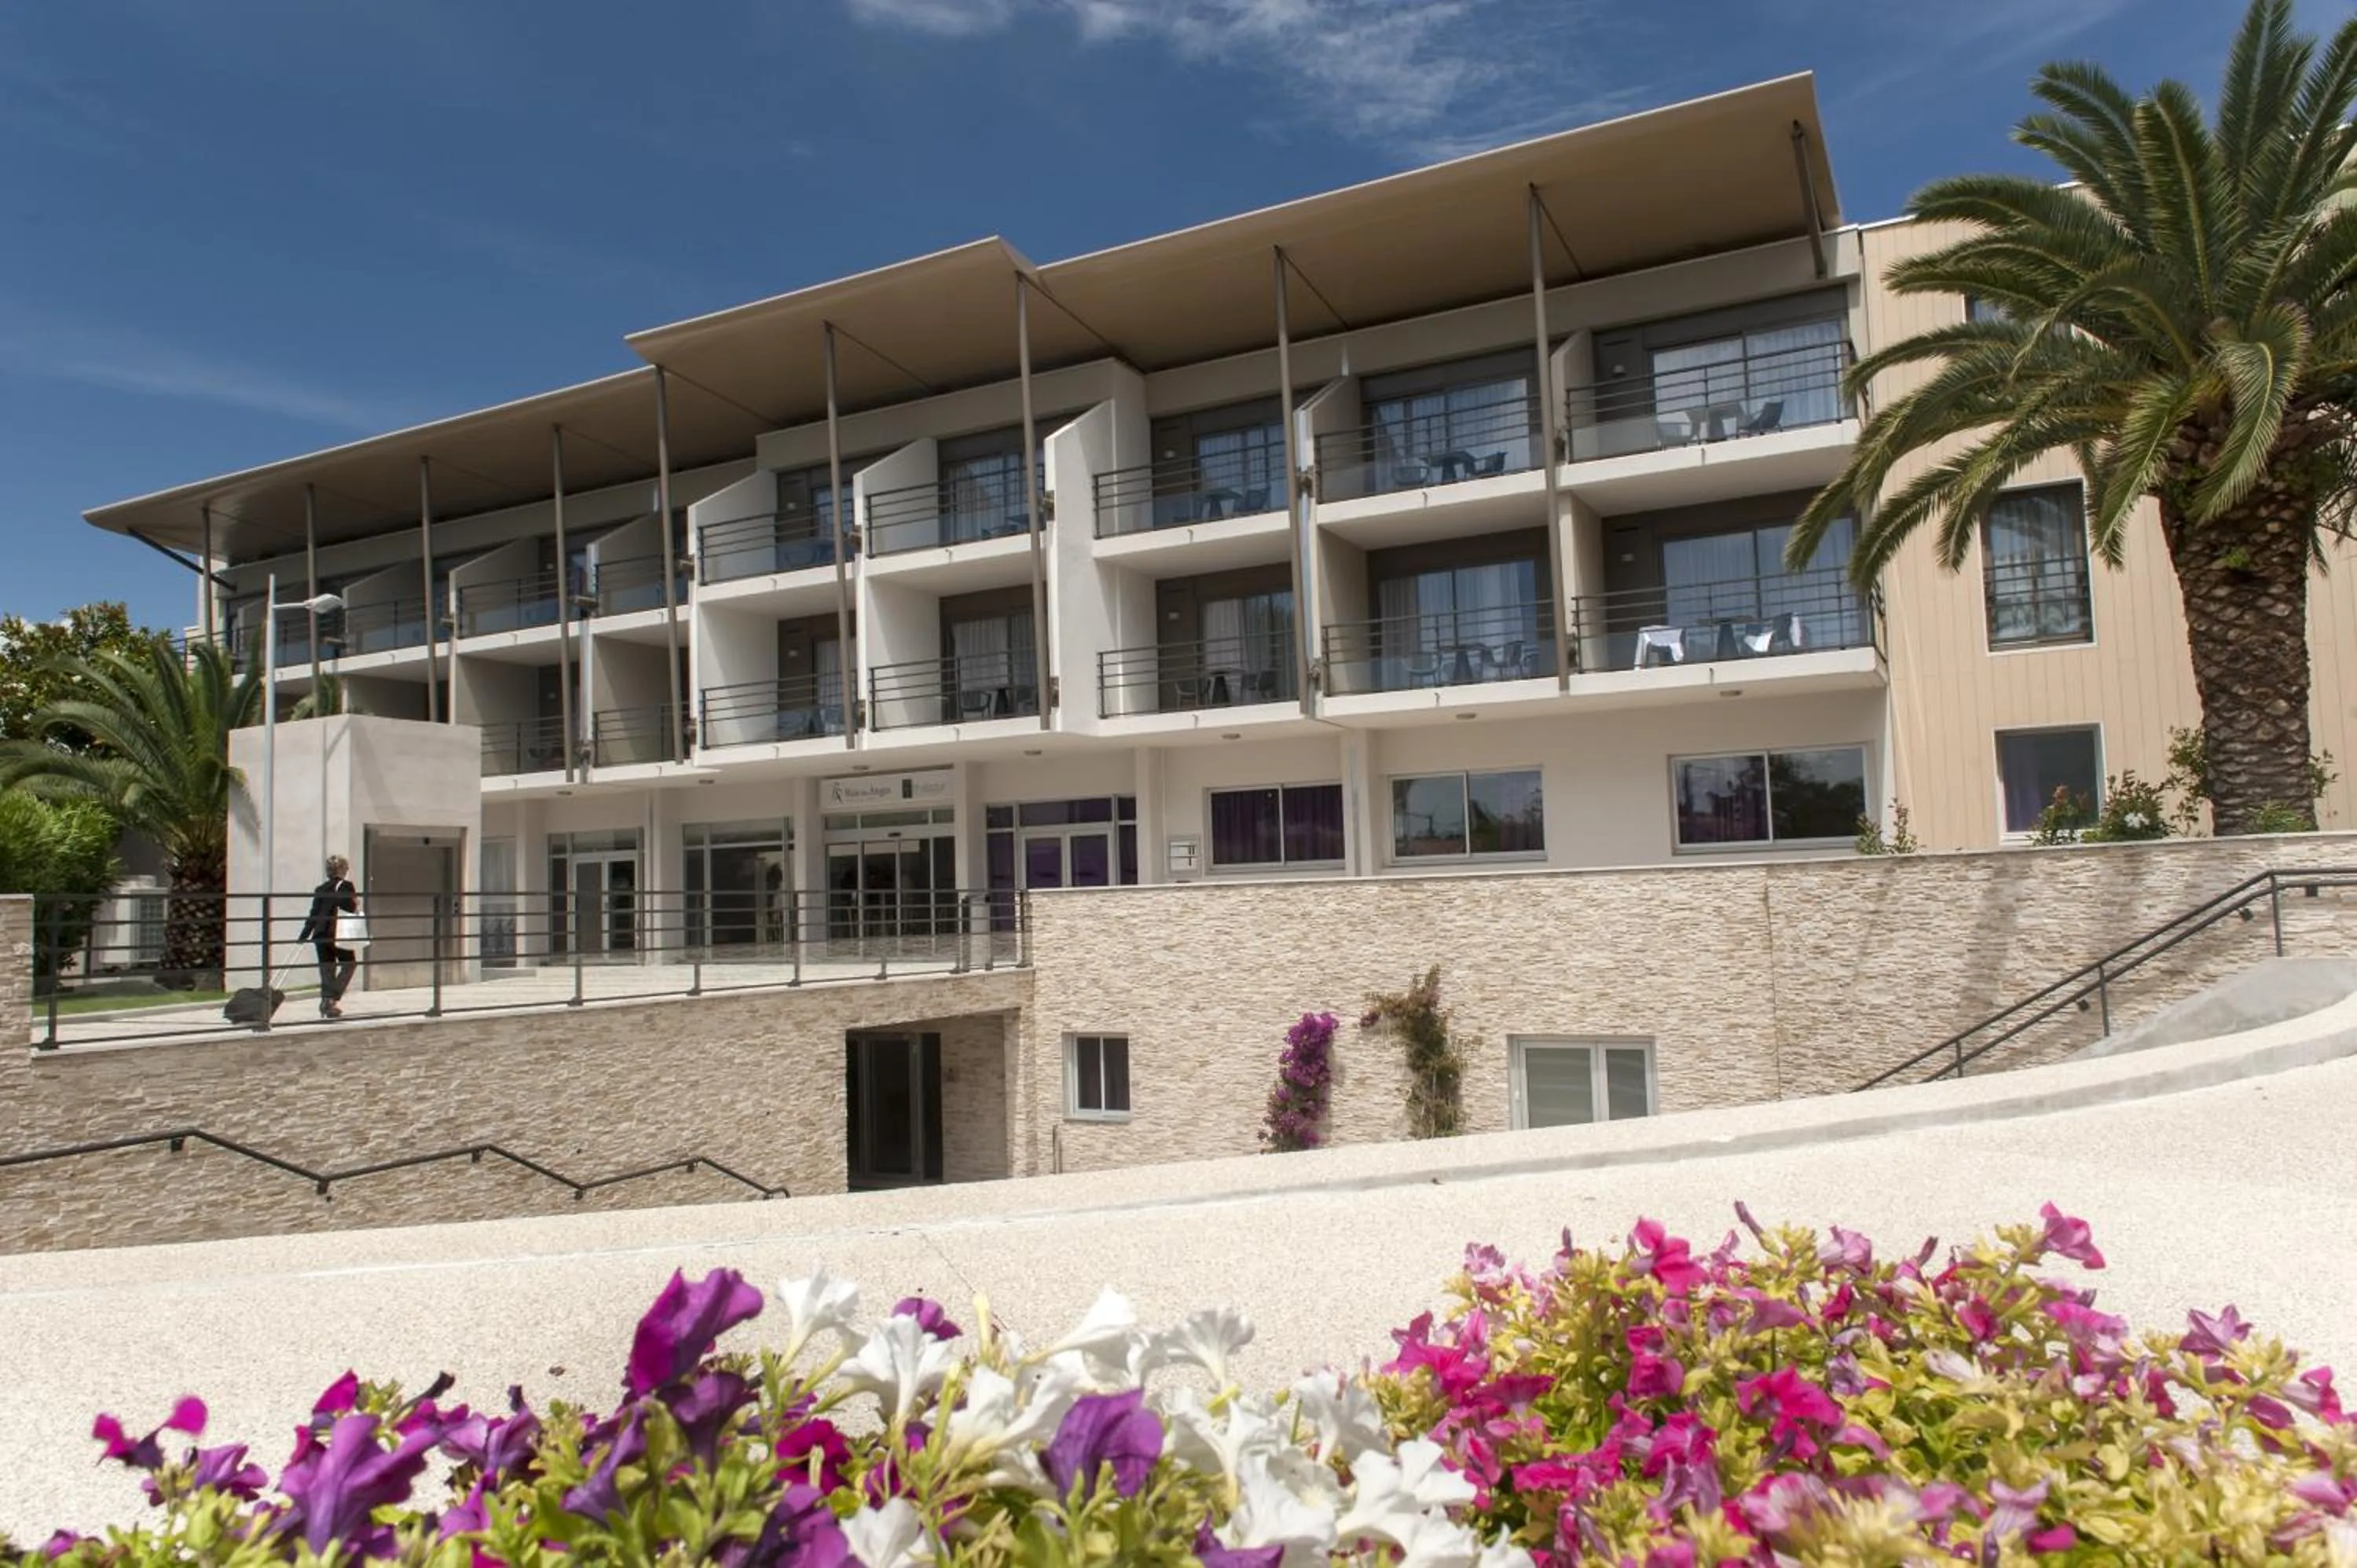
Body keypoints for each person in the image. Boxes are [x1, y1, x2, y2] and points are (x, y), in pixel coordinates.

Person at [297, 855, 360, 1019]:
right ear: (342, 870)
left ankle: (327, 1002)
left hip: (320, 934)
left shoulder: (321, 889)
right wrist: (355, 903)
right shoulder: (346, 886)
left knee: (327, 969)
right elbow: (348, 908)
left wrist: (304, 934)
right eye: (345, 869)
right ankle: (331, 999)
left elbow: (314, 913)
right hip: (337, 933)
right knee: (350, 964)